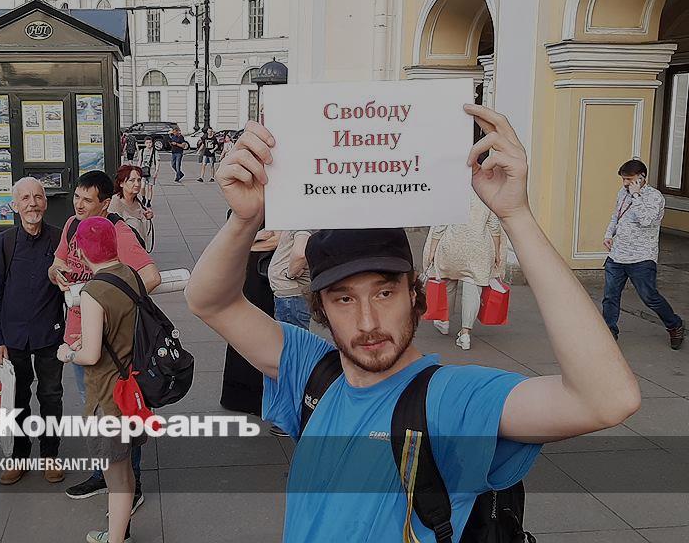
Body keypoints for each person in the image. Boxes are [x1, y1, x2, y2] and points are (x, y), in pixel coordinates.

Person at [185, 108, 641, 542]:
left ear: (415, 296)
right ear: (321, 308)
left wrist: (516, 217)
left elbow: (606, 399)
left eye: (384, 293)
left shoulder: (449, 401)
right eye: (343, 299)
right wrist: (245, 219)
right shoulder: (312, 372)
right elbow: (210, 301)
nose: (367, 321)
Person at [50, 170, 160, 511]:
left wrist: (110, 304)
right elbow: (58, 262)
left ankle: (131, 484)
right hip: (77, 334)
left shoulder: (118, 232)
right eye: (77, 197)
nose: (79, 205)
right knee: (96, 412)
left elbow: (150, 276)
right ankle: (105, 475)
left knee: (120, 412)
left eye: (88, 200)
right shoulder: (72, 225)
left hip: (110, 346)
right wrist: (57, 273)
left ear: (105, 203)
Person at [56, 216, 145, 543]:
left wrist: (68, 353)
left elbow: (91, 356)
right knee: (126, 471)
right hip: (132, 390)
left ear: (80, 250)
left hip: (107, 397)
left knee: (115, 478)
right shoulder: (129, 275)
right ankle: (120, 533)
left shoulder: (93, 291)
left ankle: (116, 539)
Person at [0, 177, 66, 485]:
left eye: (38, 197)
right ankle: (18, 456)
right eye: (25, 198)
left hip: (50, 334)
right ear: (15, 205)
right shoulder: (4, 243)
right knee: (16, 399)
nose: (32, 204)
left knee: (51, 397)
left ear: (45, 202)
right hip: (13, 337)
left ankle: (50, 455)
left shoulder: (59, 239)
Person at [602, 159, 685, 349]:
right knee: (610, 296)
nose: (625, 183)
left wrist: (636, 195)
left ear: (641, 177)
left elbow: (646, 220)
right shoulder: (622, 192)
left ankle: (674, 324)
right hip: (617, 255)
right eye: (623, 179)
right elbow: (616, 215)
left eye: (629, 179)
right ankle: (608, 333)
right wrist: (608, 235)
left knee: (649, 297)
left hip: (641, 258)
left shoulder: (655, 197)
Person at [422, 191, 503, 350]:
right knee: (473, 288)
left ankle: (444, 321)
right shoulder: (486, 193)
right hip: (478, 249)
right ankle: (465, 334)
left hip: (452, 246)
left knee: (448, 282)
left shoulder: (453, 193)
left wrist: (432, 250)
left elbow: (441, 225)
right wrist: (497, 252)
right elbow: (494, 225)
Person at [220, 222, 278, 418]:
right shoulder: (245, 212)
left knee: (260, 331)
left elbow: (277, 240)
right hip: (249, 274)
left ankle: (254, 397)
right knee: (243, 330)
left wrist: (246, 243)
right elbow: (230, 239)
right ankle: (242, 396)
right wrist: (252, 241)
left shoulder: (278, 211)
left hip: (262, 275)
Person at [268, 229, 314, 330]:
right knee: (290, 335)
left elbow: (300, 254)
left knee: (291, 336)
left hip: (292, 295)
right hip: (290, 295)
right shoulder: (295, 225)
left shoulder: (302, 225)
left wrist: (290, 274)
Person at [108, 165, 154, 244]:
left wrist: (147, 217)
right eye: (132, 180)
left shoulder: (138, 203)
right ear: (121, 183)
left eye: (139, 180)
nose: (137, 184)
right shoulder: (115, 203)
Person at [136, 139, 159, 206]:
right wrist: (137, 170)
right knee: (142, 186)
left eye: (150, 142)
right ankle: (143, 198)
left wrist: (156, 171)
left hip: (151, 171)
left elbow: (157, 162)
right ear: (145, 143)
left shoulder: (155, 152)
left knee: (150, 188)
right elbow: (139, 161)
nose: (149, 144)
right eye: (147, 142)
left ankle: (149, 201)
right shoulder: (142, 151)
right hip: (143, 171)